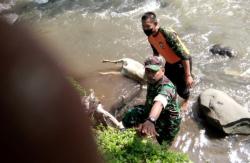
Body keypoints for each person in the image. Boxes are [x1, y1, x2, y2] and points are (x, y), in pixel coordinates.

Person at [122, 56, 181, 145]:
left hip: (167, 121)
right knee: (131, 114)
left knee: (163, 144)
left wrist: (151, 120)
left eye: (154, 71)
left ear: (163, 70)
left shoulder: (167, 87)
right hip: (151, 110)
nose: (150, 75)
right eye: (148, 71)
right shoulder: (152, 79)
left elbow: (160, 102)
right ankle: (134, 134)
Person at [141, 12, 193, 111]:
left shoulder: (166, 33)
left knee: (182, 88)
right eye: (143, 26)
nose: (145, 29)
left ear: (156, 24)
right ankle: (170, 99)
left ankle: (186, 100)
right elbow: (156, 53)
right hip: (170, 62)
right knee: (166, 82)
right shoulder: (150, 37)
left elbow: (184, 55)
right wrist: (152, 69)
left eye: (148, 26)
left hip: (182, 61)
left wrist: (188, 75)